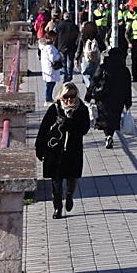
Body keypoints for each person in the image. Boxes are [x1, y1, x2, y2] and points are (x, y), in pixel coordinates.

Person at [36, 82, 91, 219]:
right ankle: (57, 207)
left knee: (72, 178)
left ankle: (69, 195)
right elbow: (43, 129)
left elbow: (84, 129)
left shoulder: (81, 109)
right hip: (55, 150)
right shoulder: (55, 109)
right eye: (66, 96)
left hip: (73, 149)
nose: (69, 100)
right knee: (56, 180)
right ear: (61, 96)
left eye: (72, 96)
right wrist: (39, 147)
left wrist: (68, 123)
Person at [87, 46, 132, 150]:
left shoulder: (103, 67)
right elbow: (127, 87)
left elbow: (94, 81)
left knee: (105, 118)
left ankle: (107, 135)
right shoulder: (124, 70)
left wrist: (88, 95)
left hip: (103, 97)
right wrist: (128, 102)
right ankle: (110, 135)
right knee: (114, 118)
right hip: (118, 98)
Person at [53, 11, 80, 82]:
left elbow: (56, 36)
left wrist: (55, 46)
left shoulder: (59, 25)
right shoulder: (74, 26)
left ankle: (65, 75)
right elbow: (77, 36)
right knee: (70, 60)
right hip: (71, 46)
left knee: (63, 61)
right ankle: (70, 74)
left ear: (64, 17)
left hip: (61, 46)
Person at [38, 28, 63, 103]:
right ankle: (48, 98)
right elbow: (53, 58)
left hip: (47, 67)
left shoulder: (45, 46)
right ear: (52, 37)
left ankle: (48, 97)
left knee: (49, 84)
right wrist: (60, 54)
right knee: (50, 84)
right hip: (50, 68)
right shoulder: (50, 47)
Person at [76, 19, 103, 88]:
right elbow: (103, 47)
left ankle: (89, 86)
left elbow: (79, 48)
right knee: (94, 73)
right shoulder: (97, 36)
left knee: (85, 73)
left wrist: (76, 58)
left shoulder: (83, 36)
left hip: (86, 57)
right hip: (96, 57)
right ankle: (94, 86)